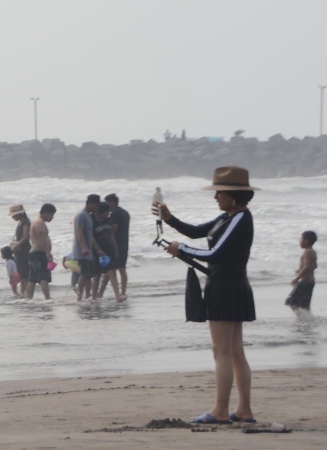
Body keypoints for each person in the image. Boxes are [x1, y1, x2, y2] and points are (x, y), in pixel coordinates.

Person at [155, 166, 258, 425]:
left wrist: (182, 249)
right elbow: (196, 231)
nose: (215, 198)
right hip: (229, 285)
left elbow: (215, 254)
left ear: (233, 196)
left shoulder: (239, 219)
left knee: (221, 351)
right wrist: (169, 219)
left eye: (218, 193)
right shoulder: (229, 217)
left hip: (227, 287)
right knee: (234, 350)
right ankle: (243, 409)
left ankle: (220, 410)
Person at [72, 195, 102, 300]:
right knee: (85, 274)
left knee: (89, 275)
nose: (97, 208)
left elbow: (90, 236)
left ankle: (87, 296)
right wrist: (84, 248)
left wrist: (97, 250)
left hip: (88, 252)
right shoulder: (81, 215)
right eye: (96, 205)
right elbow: (79, 232)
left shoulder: (88, 216)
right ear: (90, 203)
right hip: (82, 252)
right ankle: (79, 296)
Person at [91, 198, 121, 300]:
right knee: (97, 275)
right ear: (102, 211)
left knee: (112, 272)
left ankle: (117, 295)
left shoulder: (108, 220)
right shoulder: (92, 221)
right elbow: (91, 238)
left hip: (109, 249)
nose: (108, 214)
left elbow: (111, 234)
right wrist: (98, 250)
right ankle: (94, 297)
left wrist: (115, 248)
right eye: (107, 212)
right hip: (97, 251)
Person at [25, 204, 56, 300]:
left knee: (32, 278)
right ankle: (48, 298)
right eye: (51, 214)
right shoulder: (39, 222)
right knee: (44, 277)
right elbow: (41, 238)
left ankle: (28, 298)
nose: (52, 217)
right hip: (39, 253)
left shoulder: (38, 221)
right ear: (45, 213)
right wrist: (47, 252)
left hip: (35, 253)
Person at [104, 193, 131, 300]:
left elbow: (114, 230)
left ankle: (117, 294)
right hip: (124, 244)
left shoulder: (115, 213)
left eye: (107, 203)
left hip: (116, 245)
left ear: (112, 202)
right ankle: (123, 292)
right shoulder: (125, 213)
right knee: (122, 269)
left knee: (111, 270)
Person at [285, 231, 318, 316]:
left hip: (304, 282)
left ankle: (301, 318)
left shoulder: (307, 252)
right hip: (311, 282)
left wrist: (297, 278)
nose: (299, 242)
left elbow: (307, 267)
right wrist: (301, 269)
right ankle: (308, 318)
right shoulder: (313, 252)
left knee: (291, 302)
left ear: (306, 241)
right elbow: (314, 266)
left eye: (301, 239)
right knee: (304, 305)